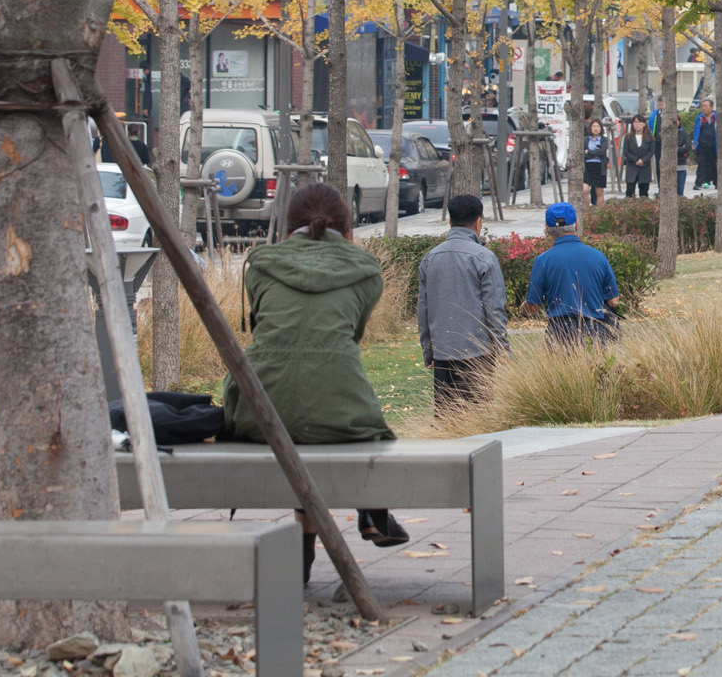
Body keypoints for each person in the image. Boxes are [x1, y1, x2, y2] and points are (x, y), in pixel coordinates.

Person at [222, 183, 407, 583]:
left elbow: (260, 326)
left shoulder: (261, 266)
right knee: (351, 420)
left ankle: (305, 554)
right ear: (349, 227)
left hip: (257, 408)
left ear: (288, 229)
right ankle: (371, 509)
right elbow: (351, 335)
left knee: (299, 421)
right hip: (339, 410)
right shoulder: (366, 273)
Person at [419, 192, 508, 413]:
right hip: (478, 353)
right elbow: (493, 309)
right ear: (478, 222)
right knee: (478, 418)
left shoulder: (430, 259)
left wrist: (429, 351)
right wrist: (503, 349)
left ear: (450, 221)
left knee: (447, 420)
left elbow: (424, 310)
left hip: (443, 353)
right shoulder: (485, 258)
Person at [523, 202, 621, 345]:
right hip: (595, 332)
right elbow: (613, 301)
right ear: (576, 223)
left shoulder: (543, 261)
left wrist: (523, 307)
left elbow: (532, 307)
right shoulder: (598, 256)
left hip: (559, 334)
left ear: (546, 228)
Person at [620, 117, 656, 197]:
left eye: (639, 122)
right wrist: (635, 160)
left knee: (644, 192)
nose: (637, 124)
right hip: (632, 166)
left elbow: (651, 151)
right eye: (635, 122)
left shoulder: (650, 137)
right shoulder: (628, 137)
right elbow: (626, 151)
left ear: (644, 124)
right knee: (629, 191)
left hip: (644, 167)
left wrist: (643, 160)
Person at [582, 117, 609, 205]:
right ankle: (586, 211)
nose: (596, 128)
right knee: (584, 190)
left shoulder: (604, 139)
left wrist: (589, 152)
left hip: (600, 167)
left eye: (598, 126)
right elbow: (583, 153)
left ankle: (598, 213)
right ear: (590, 128)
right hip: (588, 167)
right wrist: (595, 153)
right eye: (594, 126)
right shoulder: (586, 139)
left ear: (601, 128)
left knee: (599, 191)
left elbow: (602, 152)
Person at [692, 101, 719, 191]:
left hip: (713, 146)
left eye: (706, 106)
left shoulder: (716, 117)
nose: (703, 108)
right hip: (702, 146)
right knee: (701, 165)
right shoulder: (699, 118)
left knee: (714, 165)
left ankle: (717, 183)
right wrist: (695, 143)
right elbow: (696, 132)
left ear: (711, 107)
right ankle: (698, 183)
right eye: (702, 106)